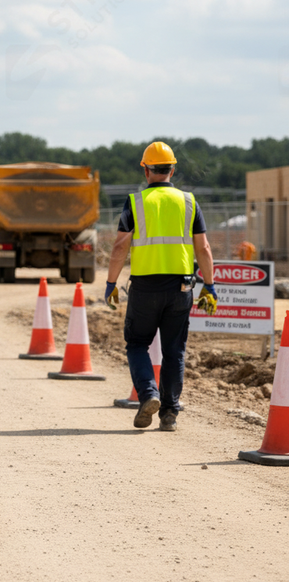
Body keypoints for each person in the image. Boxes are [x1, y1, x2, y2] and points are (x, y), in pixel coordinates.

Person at [105, 142, 217, 432]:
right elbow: (203, 248)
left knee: (138, 344)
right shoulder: (189, 202)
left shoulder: (135, 202)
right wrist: (210, 286)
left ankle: (149, 395)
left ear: (146, 170)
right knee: (174, 351)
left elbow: (119, 247)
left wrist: (110, 283)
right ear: (172, 169)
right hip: (181, 288)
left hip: (144, 287)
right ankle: (169, 414)